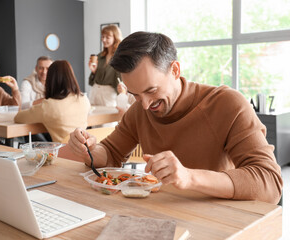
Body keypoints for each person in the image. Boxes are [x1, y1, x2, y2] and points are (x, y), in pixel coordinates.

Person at [68, 31, 283, 204]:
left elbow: (270, 183)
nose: (144, 104)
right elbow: (111, 153)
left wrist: (189, 177)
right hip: (164, 213)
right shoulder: (139, 110)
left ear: (175, 70)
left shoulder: (228, 104)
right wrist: (89, 151)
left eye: (152, 90)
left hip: (218, 221)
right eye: (134, 94)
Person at [14, 60, 91, 143]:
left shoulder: (48, 105)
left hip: (63, 153)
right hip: (82, 149)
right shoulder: (84, 99)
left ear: (50, 80)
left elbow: (18, 118)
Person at [88, 24, 122, 107]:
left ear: (115, 38)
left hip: (109, 97)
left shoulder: (119, 58)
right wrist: (93, 72)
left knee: (109, 119)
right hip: (95, 93)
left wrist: (121, 98)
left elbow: (120, 81)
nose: (103, 39)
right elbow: (91, 82)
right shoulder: (99, 56)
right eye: (102, 37)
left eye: (107, 37)